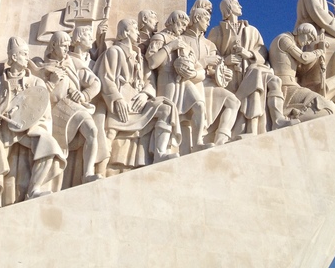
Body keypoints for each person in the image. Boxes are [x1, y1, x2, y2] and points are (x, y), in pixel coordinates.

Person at [0, 37, 65, 209]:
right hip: (1, 131)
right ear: (13, 57)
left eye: (28, 54)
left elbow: (44, 111)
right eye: (23, 54)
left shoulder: (36, 82)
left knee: (49, 145)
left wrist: (36, 125)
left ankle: (34, 189)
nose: (27, 58)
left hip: (27, 130)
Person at [95, 18, 181, 174]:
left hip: (138, 101)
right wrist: (117, 98)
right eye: (135, 30)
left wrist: (145, 94)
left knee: (166, 109)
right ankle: (97, 172)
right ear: (126, 32)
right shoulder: (114, 51)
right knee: (110, 132)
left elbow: (150, 80)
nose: (138, 34)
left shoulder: (139, 56)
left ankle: (160, 153)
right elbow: (106, 77)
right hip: (120, 100)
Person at [208, 0, 296, 134]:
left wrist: (248, 53)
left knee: (273, 80)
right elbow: (210, 56)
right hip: (231, 78)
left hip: (251, 70)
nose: (241, 6)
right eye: (237, 4)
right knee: (256, 79)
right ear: (229, 8)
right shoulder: (217, 31)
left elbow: (262, 53)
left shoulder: (251, 30)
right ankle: (248, 129)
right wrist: (226, 60)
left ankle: (277, 120)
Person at [40, 31, 101, 185]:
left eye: (68, 46)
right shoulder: (42, 68)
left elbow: (96, 83)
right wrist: (52, 82)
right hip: (53, 112)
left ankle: (88, 173)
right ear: (53, 46)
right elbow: (39, 97)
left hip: (73, 106)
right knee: (53, 153)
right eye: (63, 45)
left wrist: (83, 95)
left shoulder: (72, 62)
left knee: (92, 130)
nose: (67, 49)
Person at [146, 10, 209, 152]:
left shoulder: (185, 45)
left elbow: (199, 69)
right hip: (167, 78)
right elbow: (152, 62)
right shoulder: (160, 38)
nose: (183, 28)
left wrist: (193, 73)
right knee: (168, 113)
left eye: (185, 25)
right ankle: (161, 151)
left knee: (199, 105)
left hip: (184, 81)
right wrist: (170, 47)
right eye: (181, 24)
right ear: (172, 21)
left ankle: (198, 142)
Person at [180, 1, 239, 145]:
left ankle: (221, 141)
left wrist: (222, 74)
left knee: (233, 101)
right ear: (196, 19)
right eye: (206, 19)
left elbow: (213, 70)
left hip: (208, 85)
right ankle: (199, 140)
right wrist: (205, 61)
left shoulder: (210, 45)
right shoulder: (182, 40)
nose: (208, 23)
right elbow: (184, 67)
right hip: (190, 84)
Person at [269, 24, 335, 121]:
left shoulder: (292, 43)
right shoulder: (284, 39)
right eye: (309, 38)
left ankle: (293, 118)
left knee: (329, 107)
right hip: (286, 86)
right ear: (302, 31)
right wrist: (319, 51)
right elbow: (303, 58)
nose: (308, 42)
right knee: (327, 107)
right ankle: (289, 120)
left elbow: (301, 68)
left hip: (291, 85)